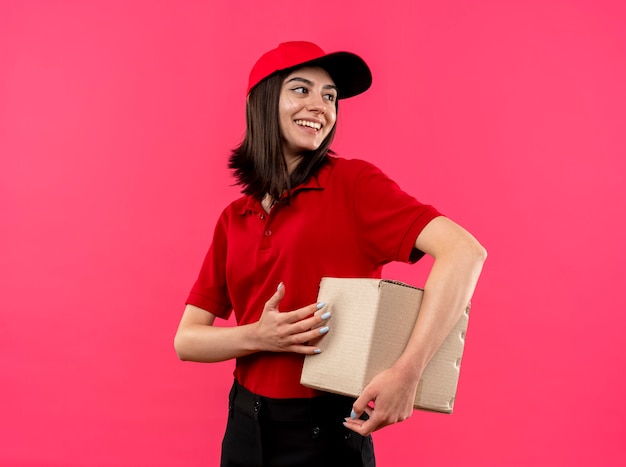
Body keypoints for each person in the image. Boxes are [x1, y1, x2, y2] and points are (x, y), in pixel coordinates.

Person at [174, 40, 487, 467]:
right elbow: (187, 340)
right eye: (301, 90)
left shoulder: (352, 184)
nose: (320, 106)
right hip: (245, 424)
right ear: (263, 102)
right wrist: (257, 336)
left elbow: (464, 252)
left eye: (330, 96)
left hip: (324, 431)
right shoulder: (235, 217)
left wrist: (408, 372)